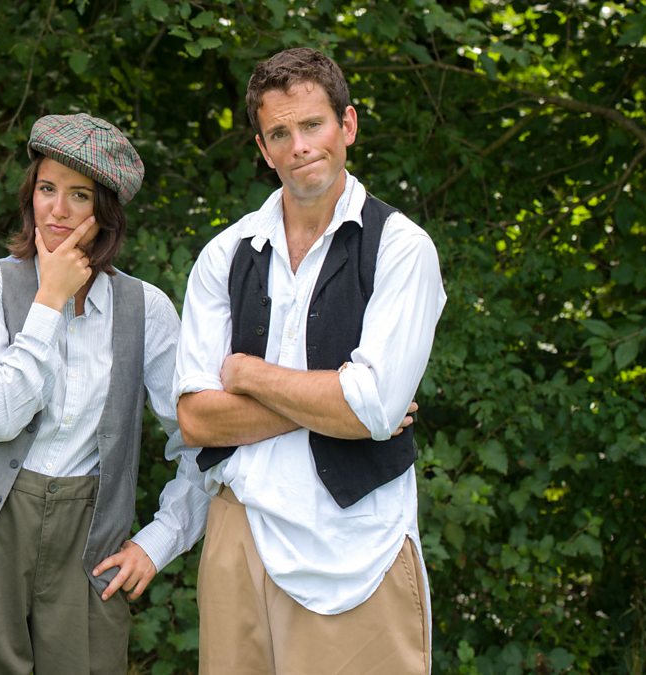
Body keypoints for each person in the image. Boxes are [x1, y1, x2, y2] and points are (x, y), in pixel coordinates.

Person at [175, 47, 446, 673]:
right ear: (263, 149)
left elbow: (371, 410)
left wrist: (248, 375)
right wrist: (340, 402)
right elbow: (196, 419)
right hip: (238, 535)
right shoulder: (226, 254)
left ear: (347, 125)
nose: (299, 146)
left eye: (312, 125)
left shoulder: (401, 248)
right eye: (279, 133)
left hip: (355, 548)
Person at [0, 113, 212, 674]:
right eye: (46, 189)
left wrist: (158, 543)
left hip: (89, 548)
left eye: (79, 195)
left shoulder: (147, 309)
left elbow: (200, 439)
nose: (57, 210)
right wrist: (49, 302)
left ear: (105, 212)